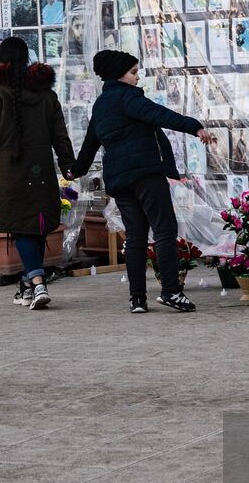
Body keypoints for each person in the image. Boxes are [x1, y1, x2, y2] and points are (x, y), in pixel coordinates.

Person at [66, 50, 213, 314]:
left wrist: (75, 170)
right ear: (119, 74)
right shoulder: (129, 97)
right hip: (145, 174)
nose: (137, 77)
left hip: (119, 180)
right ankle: (170, 291)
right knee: (165, 230)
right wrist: (194, 127)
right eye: (133, 72)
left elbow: (90, 144)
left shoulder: (100, 105)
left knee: (135, 237)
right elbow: (159, 115)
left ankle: (137, 299)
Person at [0, 38, 74, 310]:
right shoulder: (46, 96)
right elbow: (60, 136)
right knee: (37, 225)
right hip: (41, 170)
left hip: (8, 173)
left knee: (21, 227)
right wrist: (68, 165)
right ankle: (28, 285)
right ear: (27, 59)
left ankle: (38, 281)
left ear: (0, 60)